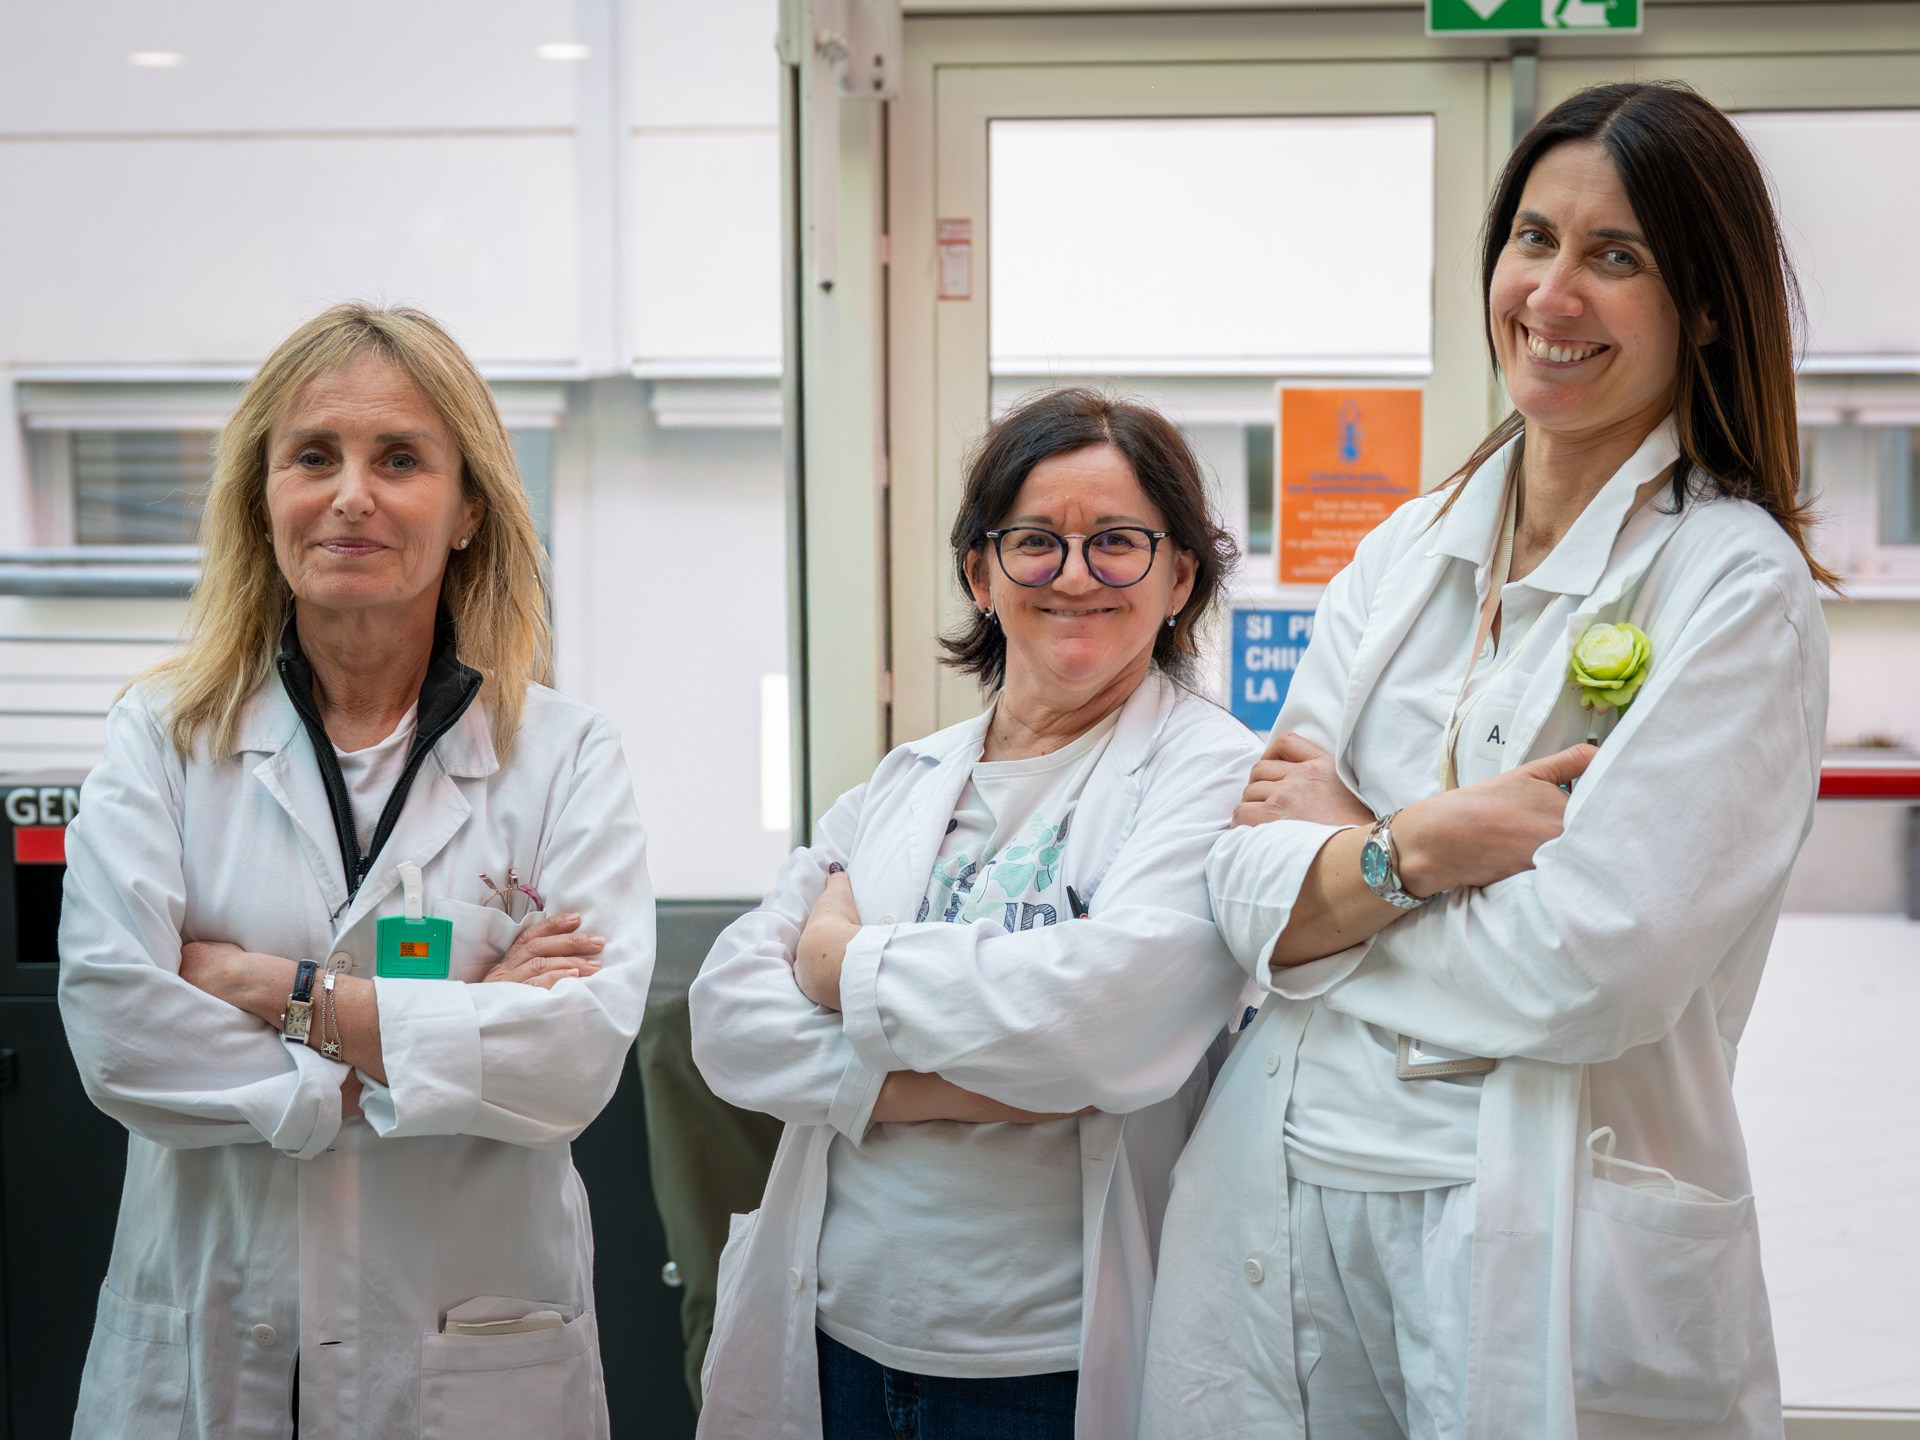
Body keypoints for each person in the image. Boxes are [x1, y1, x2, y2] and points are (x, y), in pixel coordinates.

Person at [1140, 81, 1831, 1440]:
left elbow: (1589, 968)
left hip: (1539, 1223)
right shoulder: (1407, 547)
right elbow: (1240, 883)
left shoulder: (1734, 589)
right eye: (1534, 239)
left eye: (1616, 256)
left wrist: (1347, 862)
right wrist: (1422, 849)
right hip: (1290, 1197)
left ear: (1704, 305)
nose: (1553, 295)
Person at [58, 302, 654, 1439]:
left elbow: (571, 1063)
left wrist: (271, 991)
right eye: (313, 456)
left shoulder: (565, 755)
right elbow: (120, 1037)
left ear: (469, 508)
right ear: (262, 497)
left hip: (464, 1359)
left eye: (401, 459)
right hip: (211, 1347)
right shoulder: (163, 738)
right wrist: (450, 1035)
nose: (351, 496)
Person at [689, 388, 1260, 1440]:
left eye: (1118, 542)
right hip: (838, 1334)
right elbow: (729, 1021)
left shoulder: (1212, 772)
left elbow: (1101, 1024)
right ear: (981, 575)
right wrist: (973, 1087)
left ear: (1180, 576)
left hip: (1044, 1367)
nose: (1076, 575)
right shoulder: (905, 779)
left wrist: (837, 963)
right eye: (1036, 542)